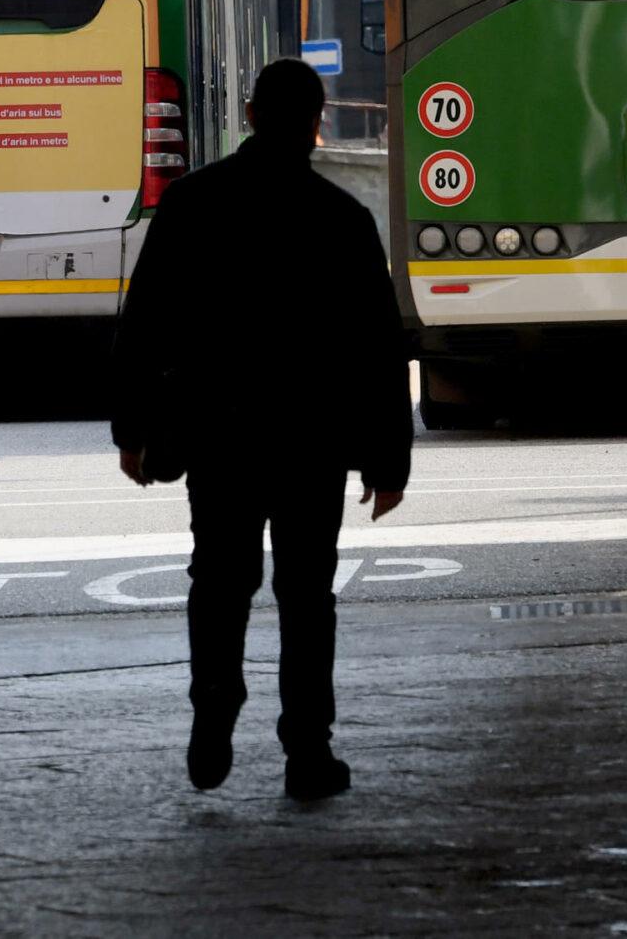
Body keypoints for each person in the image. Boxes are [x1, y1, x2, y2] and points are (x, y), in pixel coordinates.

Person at [113, 58, 412, 800]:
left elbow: (144, 324)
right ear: (317, 123)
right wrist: (388, 459)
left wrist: (133, 426)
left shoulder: (190, 204)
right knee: (307, 594)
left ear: (248, 114)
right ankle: (308, 752)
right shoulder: (342, 218)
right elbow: (378, 348)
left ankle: (214, 703)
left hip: (218, 431)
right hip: (312, 440)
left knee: (219, 579)